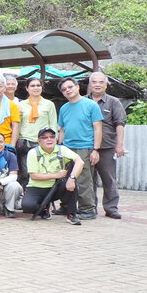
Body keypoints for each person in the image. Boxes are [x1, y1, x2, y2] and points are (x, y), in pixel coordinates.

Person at [57, 77, 103, 220]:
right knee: (65, 177)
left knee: (83, 179)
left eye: (70, 87)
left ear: (77, 87)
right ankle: (66, 206)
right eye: (64, 89)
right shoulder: (64, 108)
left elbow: (98, 128)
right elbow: (62, 129)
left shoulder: (91, 105)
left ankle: (87, 209)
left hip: (85, 147)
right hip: (67, 148)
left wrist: (95, 149)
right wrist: (59, 147)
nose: (68, 90)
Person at [22, 127, 85, 225]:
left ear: (56, 139)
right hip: (37, 187)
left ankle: (71, 214)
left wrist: (72, 178)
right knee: (27, 206)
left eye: (52, 137)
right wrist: (56, 175)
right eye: (45, 137)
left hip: (56, 186)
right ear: (39, 141)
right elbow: (34, 176)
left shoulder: (62, 149)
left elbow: (80, 162)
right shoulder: (33, 152)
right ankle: (44, 209)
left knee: (71, 184)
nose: (49, 139)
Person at [86, 72, 126, 219]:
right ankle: (90, 207)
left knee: (109, 179)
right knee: (88, 180)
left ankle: (111, 208)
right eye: (94, 82)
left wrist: (119, 145)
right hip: (86, 146)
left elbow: (120, 124)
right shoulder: (82, 101)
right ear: (90, 84)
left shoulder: (114, 102)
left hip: (107, 147)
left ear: (106, 85)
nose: (97, 85)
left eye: (101, 82)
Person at [16, 77, 58, 186]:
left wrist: (54, 141)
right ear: (27, 88)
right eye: (32, 86)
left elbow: (53, 124)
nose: (36, 88)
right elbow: (18, 124)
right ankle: (26, 193)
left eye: (38, 85)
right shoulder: (21, 105)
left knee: (43, 171)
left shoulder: (49, 104)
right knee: (25, 172)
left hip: (43, 143)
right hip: (25, 142)